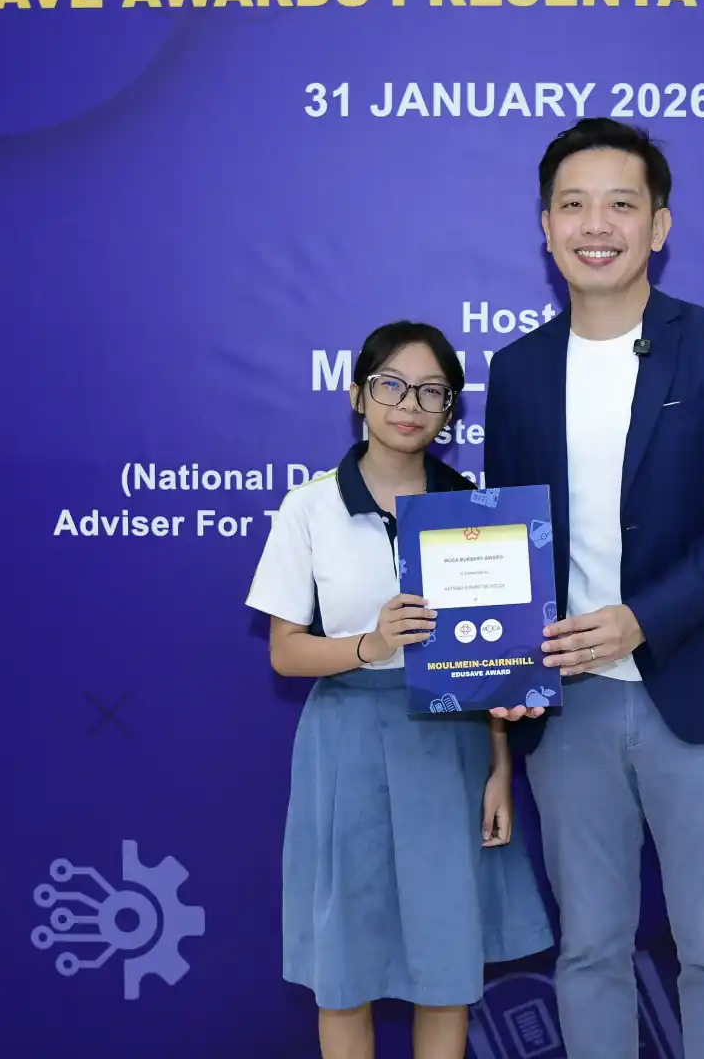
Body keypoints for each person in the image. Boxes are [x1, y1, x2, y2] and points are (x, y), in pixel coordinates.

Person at [483, 118, 704, 1059]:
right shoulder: (518, 371)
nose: (596, 225)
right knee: (589, 951)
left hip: (698, 693)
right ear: (545, 226)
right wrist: (502, 675)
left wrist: (639, 622)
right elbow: (504, 546)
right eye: (573, 204)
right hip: (567, 707)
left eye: (621, 204)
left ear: (659, 225)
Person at [246, 321, 555, 1059]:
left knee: (445, 966)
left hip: (452, 745)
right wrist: (372, 644)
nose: (409, 406)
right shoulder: (310, 506)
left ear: (451, 410)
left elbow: (497, 664)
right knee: (344, 968)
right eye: (391, 386)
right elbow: (285, 653)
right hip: (346, 740)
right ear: (358, 395)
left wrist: (500, 768)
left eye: (431, 392)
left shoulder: (478, 508)